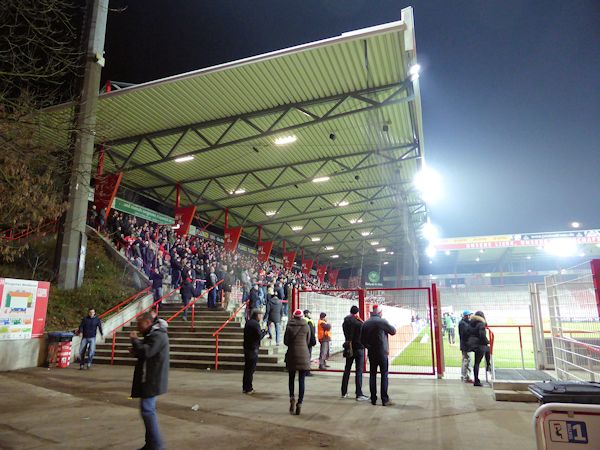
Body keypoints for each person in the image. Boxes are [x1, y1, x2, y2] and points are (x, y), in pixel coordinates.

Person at [130, 312, 169, 450]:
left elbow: (147, 351)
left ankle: (156, 445)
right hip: (150, 377)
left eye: (140, 324)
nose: (138, 328)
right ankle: (151, 444)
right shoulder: (153, 334)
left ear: (147, 322)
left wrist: (135, 340)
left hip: (152, 378)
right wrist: (137, 347)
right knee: (147, 409)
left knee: (147, 411)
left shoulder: (158, 335)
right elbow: (146, 350)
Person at [361, 304, 396, 406]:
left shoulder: (366, 323)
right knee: (384, 375)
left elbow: (362, 340)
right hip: (382, 352)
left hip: (372, 353)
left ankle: (373, 399)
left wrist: (369, 347)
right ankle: (384, 399)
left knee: (372, 375)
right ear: (380, 313)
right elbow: (393, 331)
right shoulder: (382, 321)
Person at [284, 309, 311, 416]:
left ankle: (292, 398)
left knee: (291, 378)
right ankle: (300, 403)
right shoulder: (306, 326)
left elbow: (285, 342)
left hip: (292, 355)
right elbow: (308, 341)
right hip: (303, 355)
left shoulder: (289, 326)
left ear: (293, 316)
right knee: (302, 380)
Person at [341, 306, 369, 401]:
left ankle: (344, 392)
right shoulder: (359, 323)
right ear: (357, 312)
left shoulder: (345, 322)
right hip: (358, 348)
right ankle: (359, 394)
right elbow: (363, 335)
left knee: (347, 369)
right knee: (359, 371)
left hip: (349, 347)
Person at [243, 309, 268, 394]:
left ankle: (245, 387)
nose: (261, 317)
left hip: (247, 347)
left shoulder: (248, 322)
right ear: (257, 315)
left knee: (247, 369)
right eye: (260, 315)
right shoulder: (256, 324)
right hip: (253, 348)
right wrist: (264, 332)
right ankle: (249, 388)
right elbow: (258, 336)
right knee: (251, 369)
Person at [466, 310, 491, 387]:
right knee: (487, 349)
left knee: (476, 363)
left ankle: (476, 379)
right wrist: (487, 341)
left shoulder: (470, 323)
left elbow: (467, 333)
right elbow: (482, 335)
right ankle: (488, 365)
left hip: (472, 344)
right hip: (480, 344)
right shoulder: (481, 324)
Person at [458, 310, 472, 383]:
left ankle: (464, 376)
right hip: (466, 346)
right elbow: (466, 334)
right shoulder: (463, 324)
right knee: (466, 361)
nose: (469, 316)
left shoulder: (463, 323)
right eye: (468, 315)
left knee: (465, 360)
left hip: (465, 345)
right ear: (465, 316)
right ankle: (466, 377)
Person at [303, 310, 317, 376]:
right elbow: (312, 333)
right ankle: (307, 371)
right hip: (308, 342)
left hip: (303, 341)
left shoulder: (303, 320)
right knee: (308, 356)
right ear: (306, 314)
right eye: (309, 313)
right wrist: (313, 341)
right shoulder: (309, 321)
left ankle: (304, 370)